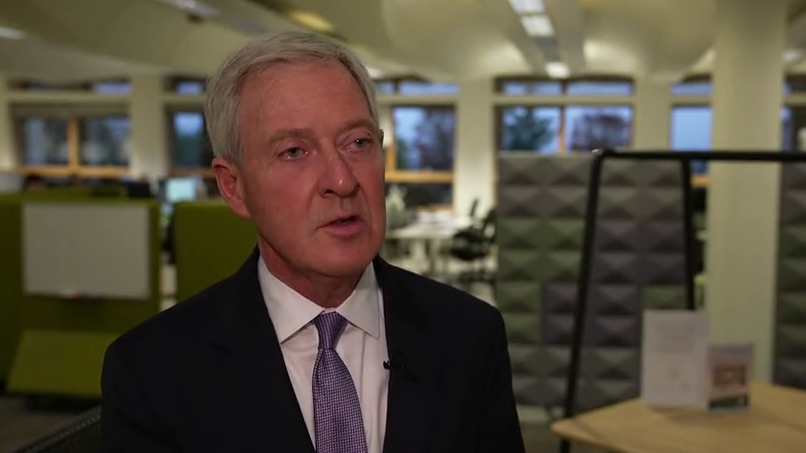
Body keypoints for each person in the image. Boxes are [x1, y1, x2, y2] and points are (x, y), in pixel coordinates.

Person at [101, 31, 524, 453]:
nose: (342, 180)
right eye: (294, 152)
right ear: (234, 187)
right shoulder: (152, 370)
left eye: (357, 143)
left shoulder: (470, 337)